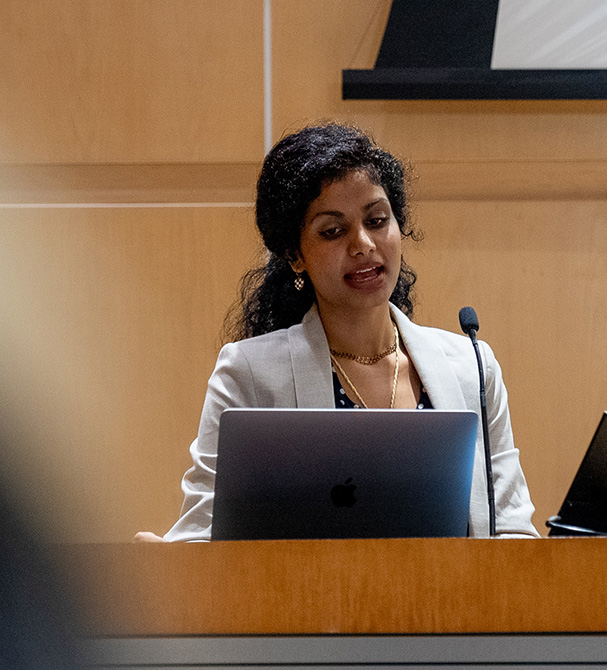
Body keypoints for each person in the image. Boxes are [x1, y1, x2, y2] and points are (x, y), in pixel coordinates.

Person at [142, 122, 538, 542]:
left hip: (454, 605)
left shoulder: (472, 367)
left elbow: (513, 533)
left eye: (377, 219)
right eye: (333, 231)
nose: (363, 243)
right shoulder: (250, 374)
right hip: (306, 605)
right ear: (295, 255)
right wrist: (170, 562)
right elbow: (202, 536)